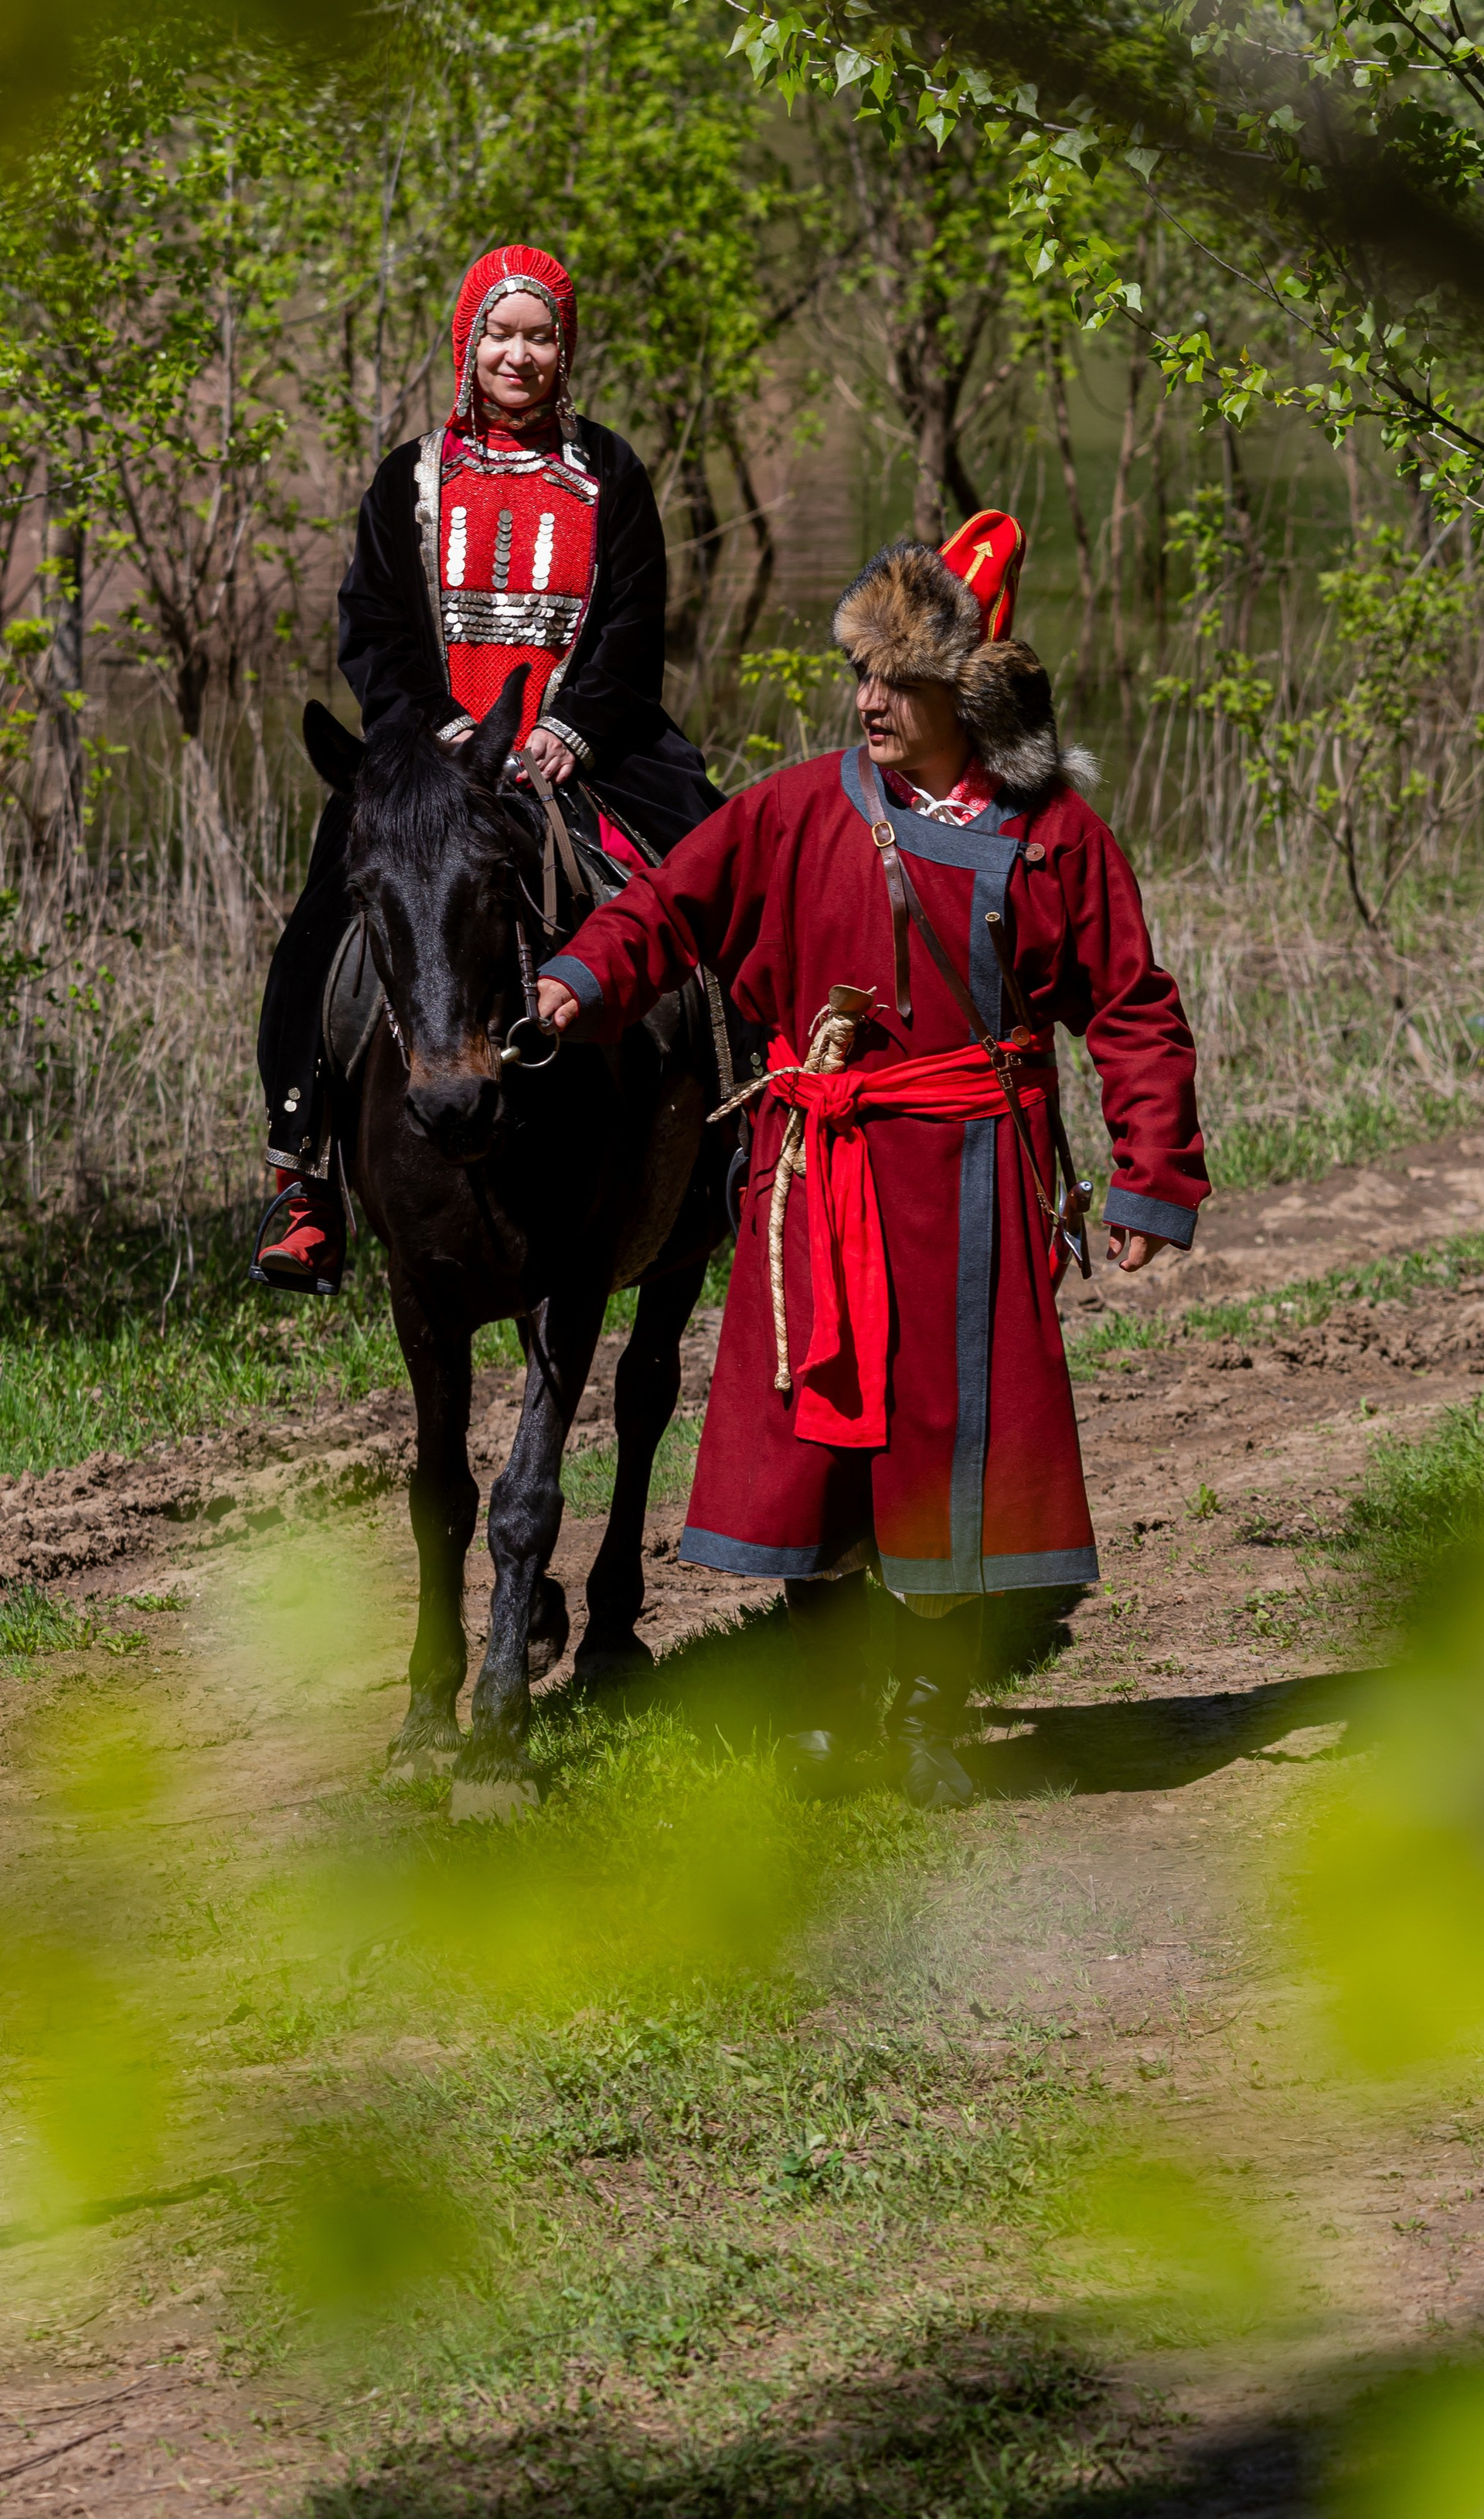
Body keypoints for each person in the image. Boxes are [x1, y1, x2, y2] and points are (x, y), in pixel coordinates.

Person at [534, 513, 1207, 1806]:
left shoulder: (1050, 836)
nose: (869, 702)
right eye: (862, 676)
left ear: (968, 691)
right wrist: (580, 978)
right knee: (822, 1448)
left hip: (974, 1184)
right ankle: (836, 1706)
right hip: (818, 1175)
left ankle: (925, 1710)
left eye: (899, 682)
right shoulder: (792, 807)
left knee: (953, 1446)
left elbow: (1130, 1004)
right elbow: (664, 908)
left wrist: (1152, 1173)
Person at [254, 243, 721, 1287]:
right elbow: (374, 629)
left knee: (716, 869)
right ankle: (304, 1176)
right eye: (499, 335)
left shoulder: (613, 473)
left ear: (566, 348)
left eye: (539, 336)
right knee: (320, 925)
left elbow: (637, 627)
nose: (519, 354)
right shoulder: (409, 480)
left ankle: (745, 1144)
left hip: (580, 748)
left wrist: (573, 729)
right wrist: (431, 730)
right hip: (440, 757)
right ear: (468, 345)